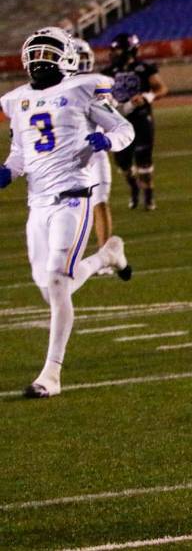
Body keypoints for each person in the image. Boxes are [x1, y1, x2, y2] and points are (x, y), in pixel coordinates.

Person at [0, 27, 134, 398]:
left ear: (67, 58)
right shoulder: (17, 100)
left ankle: (51, 375)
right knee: (50, 289)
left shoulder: (82, 89)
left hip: (74, 197)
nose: (39, 61)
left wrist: (107, 140)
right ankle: (107, 255)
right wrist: (8, 171)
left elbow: (124, 129)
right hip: (37, 202)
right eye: (35, 55)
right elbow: (20, 153)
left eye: (47, 54)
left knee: (58, 282)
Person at [101, 32, 168, 211]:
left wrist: (147, 97)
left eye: (117, 49)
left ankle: (149, 195)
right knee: (123, 163)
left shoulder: (144, 68)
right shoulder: (107, 73)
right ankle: (134, 187)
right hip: (117, 122)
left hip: (141, 119)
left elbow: (161, 88)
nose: (113, 53)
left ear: (128, 50)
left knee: (143, 160)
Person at [71, 38, 114, 255]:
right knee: (69, 209)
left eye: (84, 58)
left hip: (96, 153)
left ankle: (104, 255)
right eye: (77, 58)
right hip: (68, 157)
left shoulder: (99, 84)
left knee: (100, 202)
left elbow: (113, 117)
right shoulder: (56, 89)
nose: (81, 63)